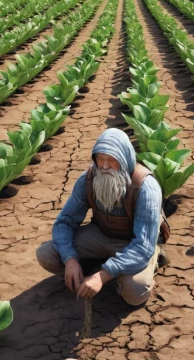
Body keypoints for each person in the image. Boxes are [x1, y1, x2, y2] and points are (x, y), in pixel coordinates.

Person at [36, 128, 167, 306]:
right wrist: (70, 259)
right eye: (100, 159)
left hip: (133, 243)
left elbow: (142, 246)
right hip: (100, 234)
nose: (104, 166)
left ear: (125, 160)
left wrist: (103, 275)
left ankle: (148, 260)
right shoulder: (88, 179)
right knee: (47, 254)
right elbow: (64, 222)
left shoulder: (145, 187)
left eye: (112, 160)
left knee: (135, 292)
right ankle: (89, 269)